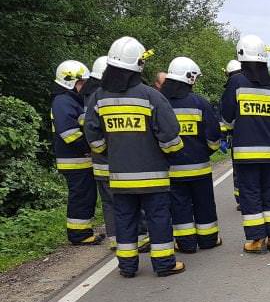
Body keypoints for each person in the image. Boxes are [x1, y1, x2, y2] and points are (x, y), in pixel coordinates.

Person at [84, 36, 186, 277]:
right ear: (138, 64)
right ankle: (164, 264)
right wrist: (171, 153)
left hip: (119, 176)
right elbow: (170, 134)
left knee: (125, 220)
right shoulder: (151, 96)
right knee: (158, 219)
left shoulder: (99, 97)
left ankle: (127, 267)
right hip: (153, 176)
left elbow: (92, 135)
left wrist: (109, 152)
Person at [220, 35, 270, 253]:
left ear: (241, 57)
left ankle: (256, 239)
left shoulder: (237, 83)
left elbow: (227, 118)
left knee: (250, 193)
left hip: (246, 152)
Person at [160, 56, 222, 252]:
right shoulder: (200, 103)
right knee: (204, 204)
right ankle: (208, 240)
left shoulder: (160, 103)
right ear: (190, 77)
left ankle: (186, 244)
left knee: (179, 206)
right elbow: (213, 136)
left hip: (171, 170)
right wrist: (207, 152)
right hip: (199, 168)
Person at [51, 60, 102, 245]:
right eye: (81, 82)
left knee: (86, 196)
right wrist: (89, 148)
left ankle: (83, 231)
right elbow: (69, 133)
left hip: (79, 160)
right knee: (81, 197)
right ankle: (79, 235)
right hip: (74, 160)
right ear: (70, 81)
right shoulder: (63, 101)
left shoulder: (70, 100)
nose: (84, 86)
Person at [222, 59, 242, 209]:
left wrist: (225, 135)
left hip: (239, 137)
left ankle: (241, 200)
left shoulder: (231, 87)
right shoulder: (251, 83)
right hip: (260, 137)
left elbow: (226, 117)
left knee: (239, 170)